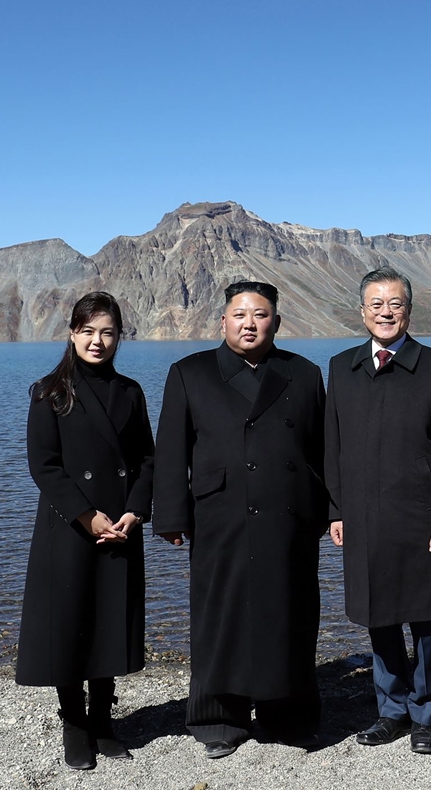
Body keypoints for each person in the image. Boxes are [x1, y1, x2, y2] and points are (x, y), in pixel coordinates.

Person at [152, 280, 327, 759]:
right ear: (223, 321)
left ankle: (287, 715)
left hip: (290, 515)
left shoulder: (304, 373)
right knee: (220, 611)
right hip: (220, 513)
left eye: (261, 314)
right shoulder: (190, 372)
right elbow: (171, 450)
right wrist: (169, 513)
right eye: (240, 314)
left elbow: (323, 451)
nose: (250, 323)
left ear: (276, 321)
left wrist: (333, 510)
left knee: (289, 612)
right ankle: (217, 717)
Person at [324, 267, 431, 755]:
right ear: (362, 311)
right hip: (362, 517)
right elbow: (333, 445)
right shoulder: (341, 366)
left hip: (421, 516)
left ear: (410, 309)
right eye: (376, 304)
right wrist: (336, 509)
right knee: (378, 615)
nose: (386, 312)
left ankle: (428, 713)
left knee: (427, 618)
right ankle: (392, 711)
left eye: (396, 304)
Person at [16, 292, 154, 770]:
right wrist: (85, 515)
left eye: (108, 332)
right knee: (68, 623)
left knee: (109, 621)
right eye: (89, 331)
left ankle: (103, 721)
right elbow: (45, 466)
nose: (98, 341)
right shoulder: (49, 391)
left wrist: (135, 512)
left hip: (119, 525)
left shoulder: (131, 392)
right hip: (69, 528)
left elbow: (145, 460)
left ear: (119, 337)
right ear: (72, 333)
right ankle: (74, 723)